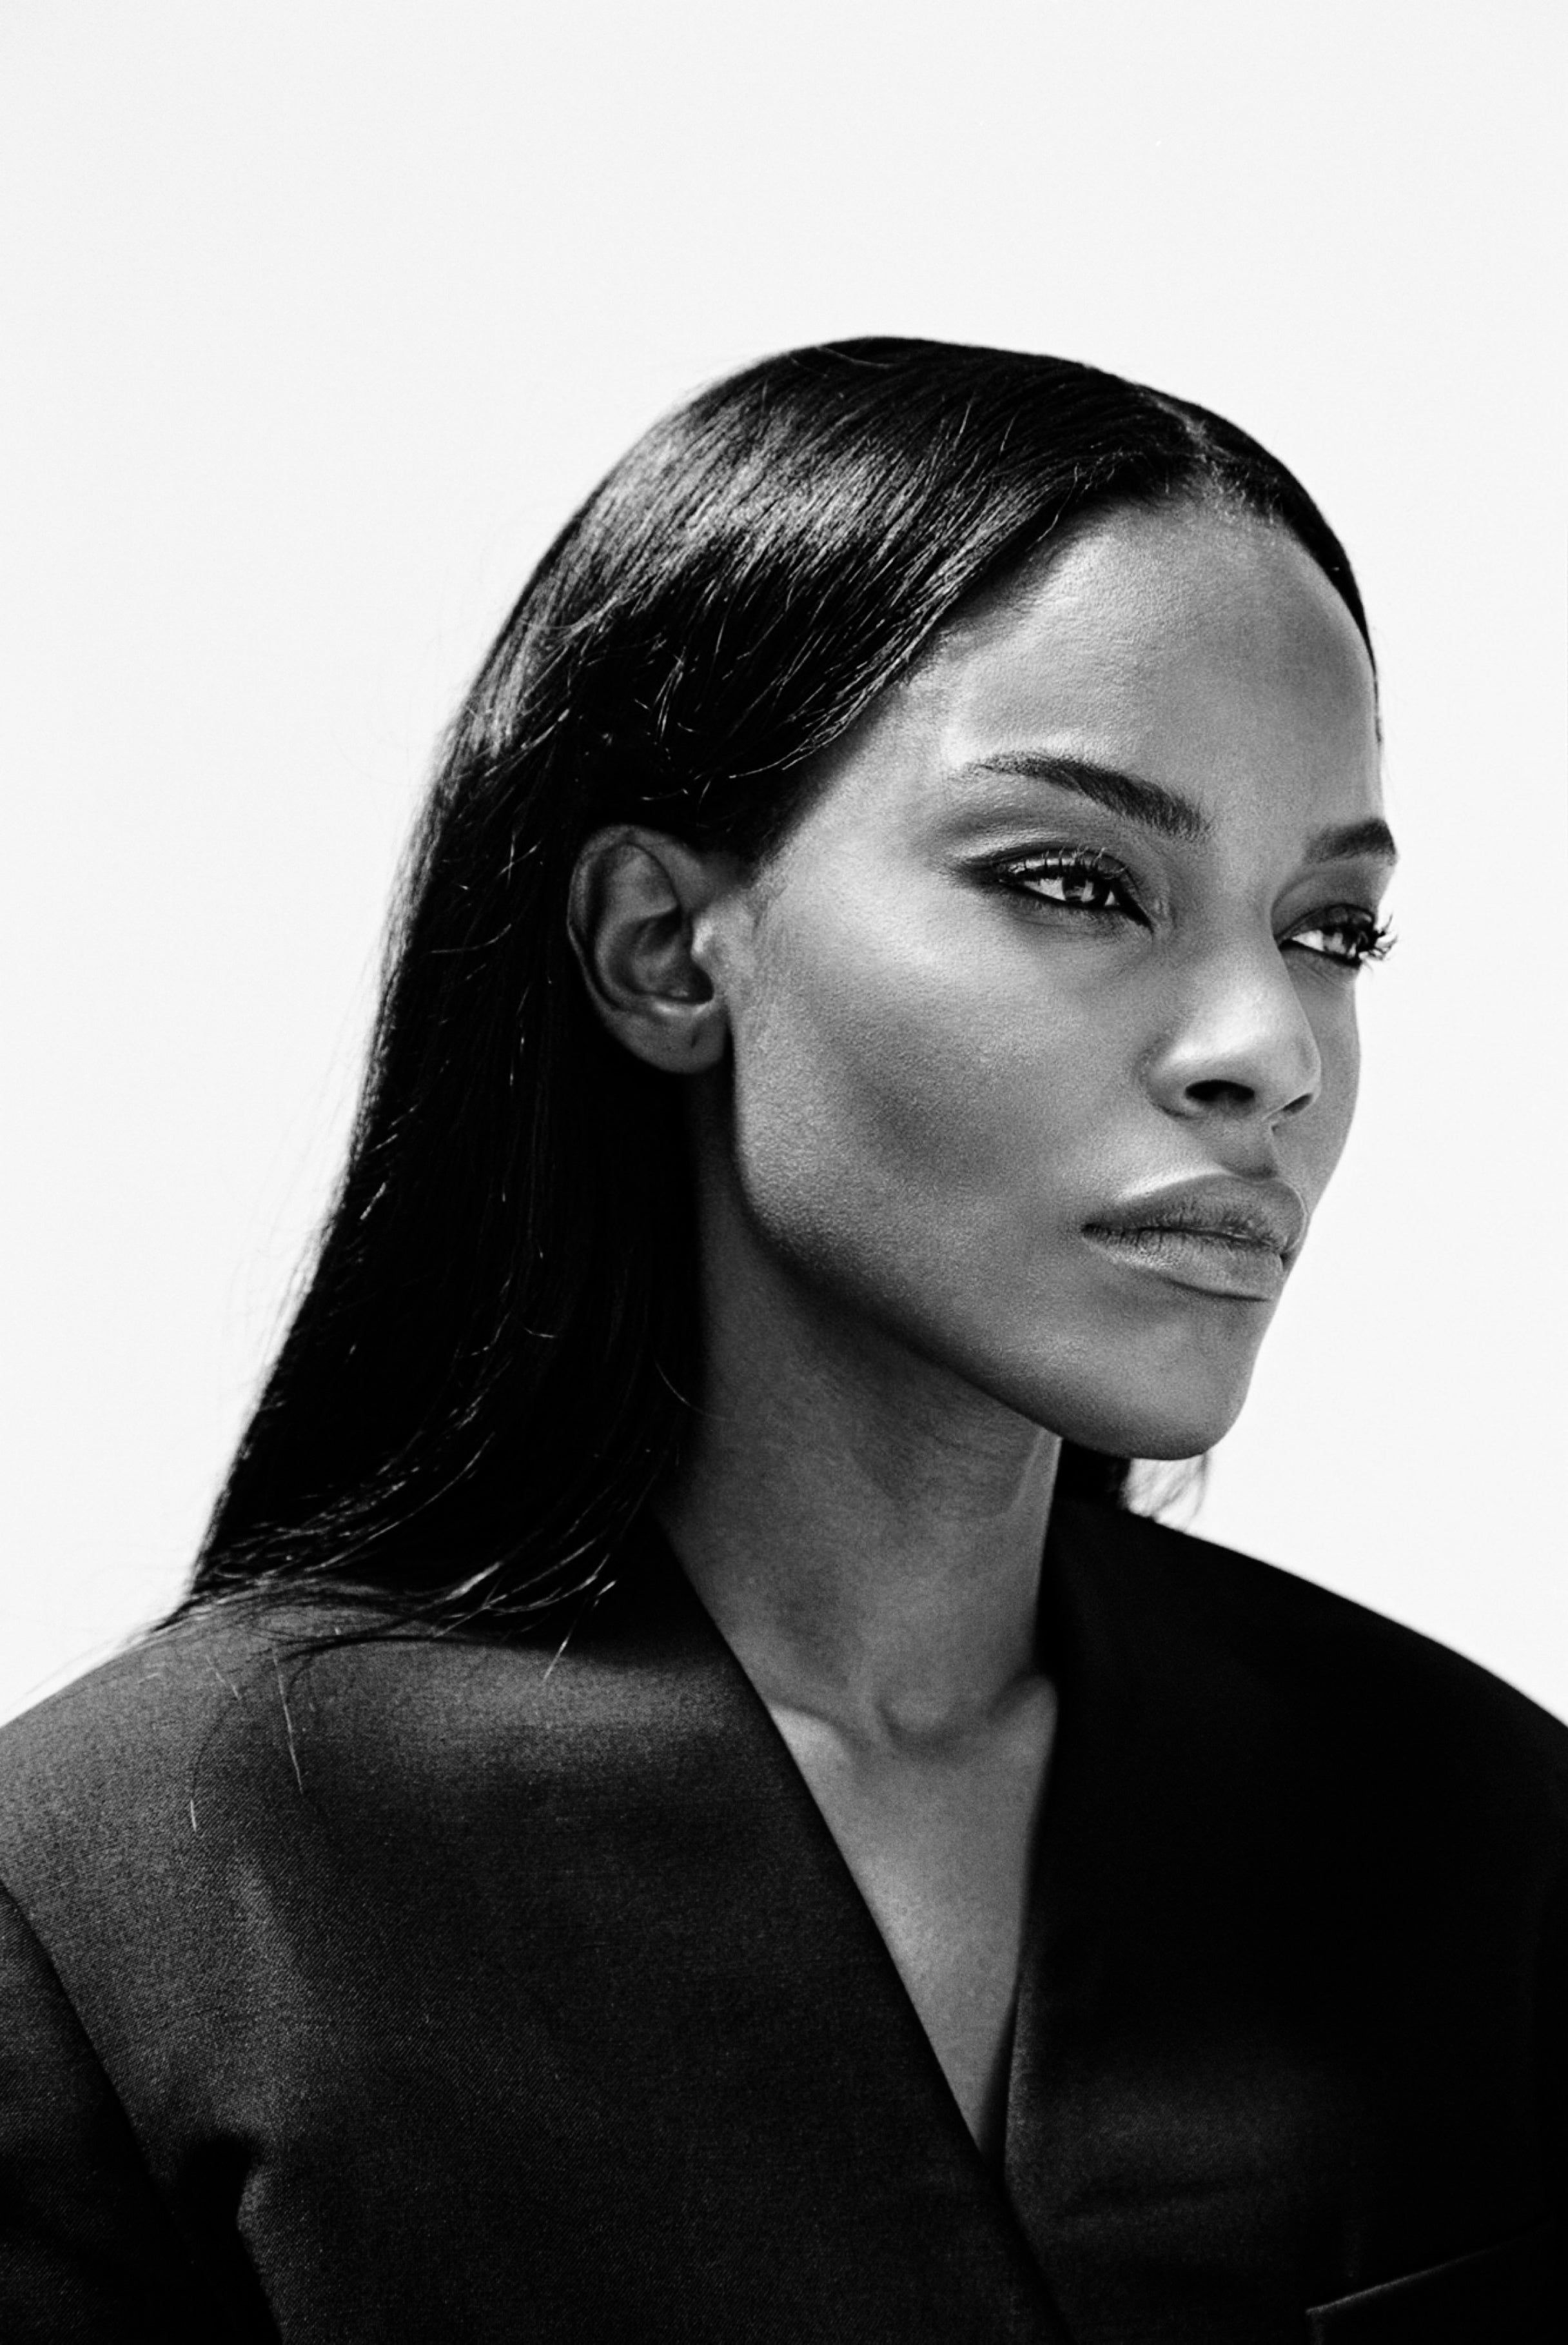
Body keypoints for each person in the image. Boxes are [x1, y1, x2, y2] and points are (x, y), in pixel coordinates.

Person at [0, 339, 1560, 2343]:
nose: (1268, 1049)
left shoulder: (1476, 1835)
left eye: (1327, 929)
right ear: (664, 946)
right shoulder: (134, 1901)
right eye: (1077, 881)